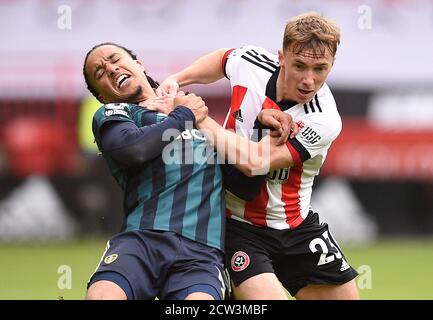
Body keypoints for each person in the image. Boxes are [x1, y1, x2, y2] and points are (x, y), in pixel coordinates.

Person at [157, 12, 360, 300]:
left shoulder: (323, 118)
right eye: (299, 65)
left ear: (332, 65)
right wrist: (177, 79)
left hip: (296, 227)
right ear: (281, 57)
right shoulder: (252, 63)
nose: (308, 80)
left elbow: (254, 163)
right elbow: (222, 59)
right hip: (236, 224)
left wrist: (199, 118)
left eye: (320, 69)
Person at [82, 42, 296, 300]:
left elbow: (244, 187)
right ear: (103, 96)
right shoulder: (117, 113)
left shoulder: (203, 126)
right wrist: (184, 114)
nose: (110, 68)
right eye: (100, 73)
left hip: (200, 255)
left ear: (138, 64)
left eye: (114, 59)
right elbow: (133, 150)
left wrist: (262, 127)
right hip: (141, 242)